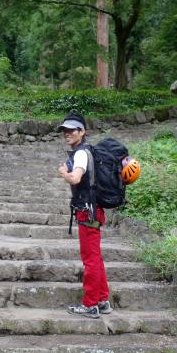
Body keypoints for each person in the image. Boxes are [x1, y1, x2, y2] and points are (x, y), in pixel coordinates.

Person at [57, 111, 112, 319]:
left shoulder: (81, 153)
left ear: (82, 132)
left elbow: (75, 178)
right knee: (95, 257)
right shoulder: (86, 151)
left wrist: (64, 173)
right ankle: (102, 300)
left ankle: (90, 304)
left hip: (87, 211)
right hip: (93, 210)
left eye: (72, 130)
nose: (67, 133)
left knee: (90, 259)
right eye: (65, 130)